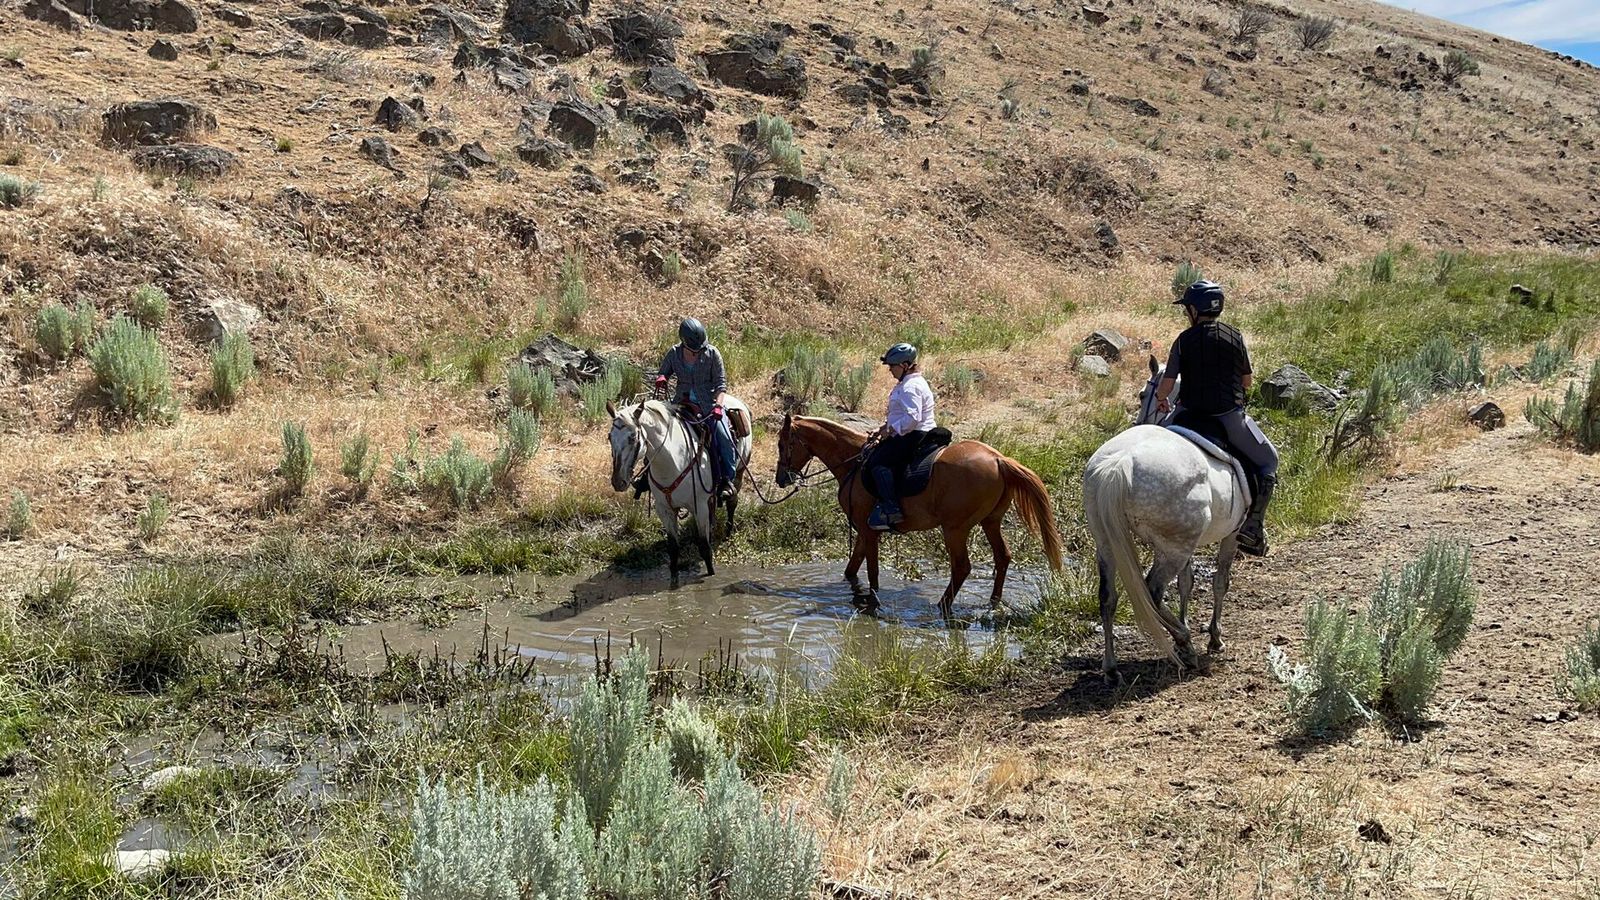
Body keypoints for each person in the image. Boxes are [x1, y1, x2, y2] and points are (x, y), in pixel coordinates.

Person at [1153, 280, 1279, 556]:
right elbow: (1247, 382)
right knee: (1269, 460)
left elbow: (1167, 384)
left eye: (1187, 308)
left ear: (1194, 310)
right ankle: (1253, 527)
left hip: (1186, 416)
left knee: (1154, 445)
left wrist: (1162, 399)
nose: (1186, 313)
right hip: (1228, 418)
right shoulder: (1235, 336)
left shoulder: (1183, 340)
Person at [648, 317, 737, 500]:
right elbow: (663, 372)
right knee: (654, 431)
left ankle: (728, 479)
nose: (697, 352)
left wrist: (719, 406)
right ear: (684, 342)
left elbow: (721, 385)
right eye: (693, 349)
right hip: (680, 403)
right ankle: (646, 476)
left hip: (708, 406)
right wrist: (662, 378)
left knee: (724, 437)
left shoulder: (712, 354)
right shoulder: (674, 353)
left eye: (700, 348)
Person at [865, 342, 936, 531]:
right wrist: (882, 428)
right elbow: (900, 416)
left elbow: (912, 419)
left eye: (892, 366)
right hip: (911, 432)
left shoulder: (910, 387)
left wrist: (889, 431)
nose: (890, 370)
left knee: (878, 463)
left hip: (914, 434)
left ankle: (891, 508)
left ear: (904, 366)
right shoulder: (909, 383)